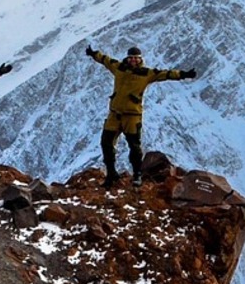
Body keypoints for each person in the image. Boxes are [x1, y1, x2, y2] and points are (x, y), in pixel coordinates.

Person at [84, 45, 197, 187]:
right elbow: (105, 60)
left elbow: (166, 74)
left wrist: (184, 74)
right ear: (127, 57)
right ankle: (111, 174)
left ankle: (137, 174)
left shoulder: (146, 73)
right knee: (106, 143)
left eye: (136, 58)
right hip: (114, 114)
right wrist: (94, 53)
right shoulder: (119, 68)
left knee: (134, 147)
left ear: (140, 59)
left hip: (132, 116)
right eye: (131, 58)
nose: (133, 60)